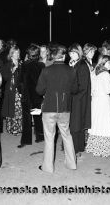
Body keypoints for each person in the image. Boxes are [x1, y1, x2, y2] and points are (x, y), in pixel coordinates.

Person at [36, 44, 78, 173]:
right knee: (67, 135)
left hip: (49, 108)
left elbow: (39, 90)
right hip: (65, 108)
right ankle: (71, 164)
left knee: (49, 138)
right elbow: (75, 90)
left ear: (53, 56)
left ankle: (48, 167)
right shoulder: (71, 70)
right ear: (64, 56)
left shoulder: (46, 70)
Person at [86, 55, 110, 157]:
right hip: (103, 101)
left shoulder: (94, 72)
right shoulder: (106, 74)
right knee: (104, 124)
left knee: (96, 123)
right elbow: (107, 90)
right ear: (104, 63)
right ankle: (103, 149)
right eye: (109, 62)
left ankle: (94, 147)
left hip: (95, 101)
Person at [18, 45, 45, 148]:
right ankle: (40, 136)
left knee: (27, 118)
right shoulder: (41, 65)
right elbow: (43, 82)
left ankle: (26, 140)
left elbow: (20, 81)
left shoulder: (24, 65)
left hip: (27, 95)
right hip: (37, 95)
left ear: (29, 55)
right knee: (37, 116)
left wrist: (21, 92)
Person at [68, 43, 91, 156]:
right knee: (76, 124)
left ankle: (75, 149)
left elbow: (83, 86)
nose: (71, 55)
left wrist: (74, 98)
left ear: (79, 53)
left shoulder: (82, 65)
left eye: (74, 53)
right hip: (74, 97)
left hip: (78, 99)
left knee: (75, 125)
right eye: (70, 53)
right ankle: (79, 147)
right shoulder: (73, 64)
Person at [1, 46, 23, 135]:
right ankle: (12, 129)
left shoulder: (21, 63)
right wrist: (12, 72)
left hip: (19, 90)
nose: (17, 55)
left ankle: (19, 128)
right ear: (11, 54)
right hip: (10, 90)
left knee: (19, 110)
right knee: (11, 110)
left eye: (18, 53)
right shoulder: (7, 64)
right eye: (15, 53)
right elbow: (4, 78)